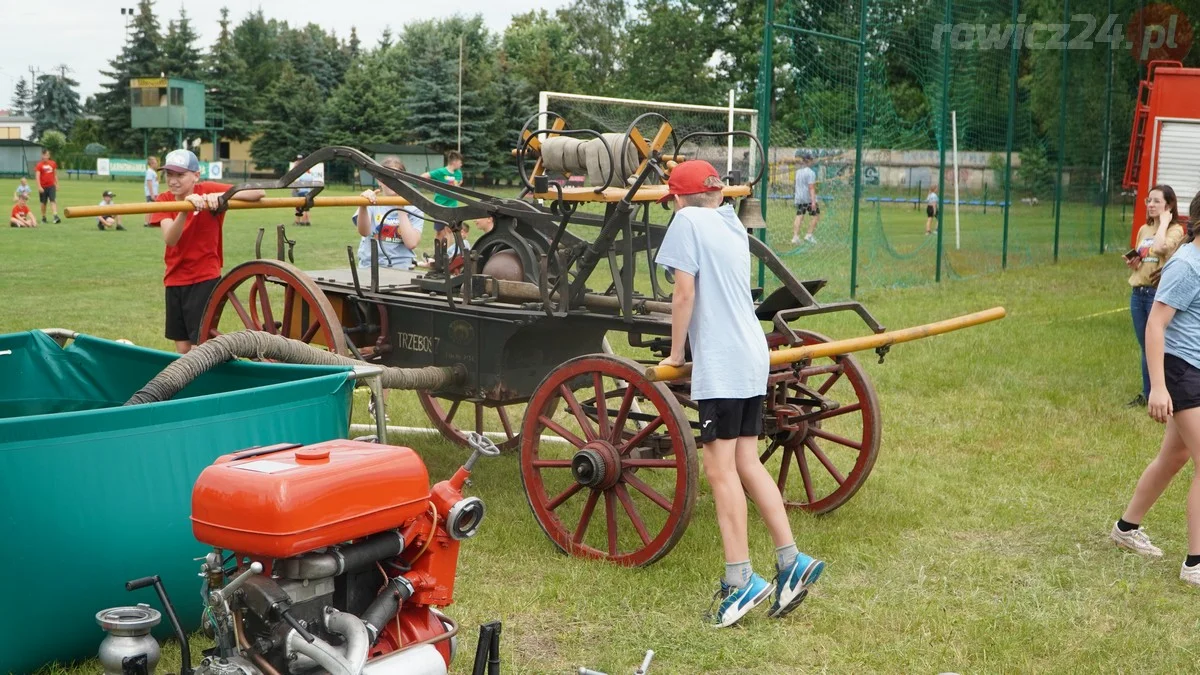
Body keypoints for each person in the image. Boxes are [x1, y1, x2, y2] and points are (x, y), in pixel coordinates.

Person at [655, 160, 824, 628]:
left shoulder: (686, 221)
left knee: (720, 469)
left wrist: (674, 355)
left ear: (676, 198)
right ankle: (792, 560)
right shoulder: (730, 222)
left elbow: (684, 294)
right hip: (752, 355)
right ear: (717, 193)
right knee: (747, 462)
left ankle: (739, 580)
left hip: (725, 362)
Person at [1111, 191, 1200, 589]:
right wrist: (1159, 387)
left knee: (1174, 457)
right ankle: (1196, 564)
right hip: (1181, 372)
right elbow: (1155, 326)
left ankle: (1126, 528)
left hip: (1194, 367)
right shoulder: (1188, 266)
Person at [154, 149, 265, 354]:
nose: (173, 180)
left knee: (200, 345)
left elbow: (258, 193)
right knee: (183, 346)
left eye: (180, 175)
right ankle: (188, 384)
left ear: (196, 175)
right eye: (169, 174)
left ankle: (205, 383)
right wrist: (184, 210)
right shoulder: (164, 199)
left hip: (203, 277)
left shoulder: (207, 189)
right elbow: (171, 238)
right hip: (174, 278)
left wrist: (219, 195)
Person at [1126, 185, 1187, 408]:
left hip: (1157, 294)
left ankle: (1166, 392)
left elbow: (1161, 248)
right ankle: (1148, 392)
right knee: (1145, 345)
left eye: (1156, 201)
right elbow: (1145, 258)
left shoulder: (1175, 230)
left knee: (1159, 345)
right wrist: (1135, 264)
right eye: (1148, 201)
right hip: (1138, 292)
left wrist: (1163, 222)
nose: (1150, 205)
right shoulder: (1144, 230)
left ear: (1168, 206)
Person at [355, 157, 424, 270]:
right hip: (370, 265)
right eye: (388, 178)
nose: (393, 183)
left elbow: (411, 243)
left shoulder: (413, 208)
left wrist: (400, 208)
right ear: (379, 181)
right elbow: (364, 232)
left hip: (401, 266)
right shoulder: (372, 202)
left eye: (397, 178)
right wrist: (363, 205)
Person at [421, 151, 463, 243]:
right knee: (440, 232)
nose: (461, 164)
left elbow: (459, 182)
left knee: (449, 231)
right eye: (460, 161)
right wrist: (430, 186)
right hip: (440, 206)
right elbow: (424, 176)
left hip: (452, 206)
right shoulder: (440, 172)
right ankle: (438, 254)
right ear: (454, 162)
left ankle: (447, 254)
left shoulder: (458, 173)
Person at [791, 153, 820, 245]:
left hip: (799, 197)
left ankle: (795, 237)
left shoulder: (798, 172)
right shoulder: (810, 173)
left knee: (799, 215)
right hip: (807, 198)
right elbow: (811, 188)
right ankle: (809, 235)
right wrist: (813, 201)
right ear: (808, 161)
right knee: (816, 216)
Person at [34, 148, 60, 223]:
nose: (46, 157)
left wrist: (57, 184)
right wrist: (39, 186)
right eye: (44, 155)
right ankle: (43, 217)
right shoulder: (39, 165)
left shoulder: (53, 163)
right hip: (43, 187)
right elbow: (37, 176)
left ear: (49, 156)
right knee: (43, 203)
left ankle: (55, 216)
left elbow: (55, 175)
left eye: (47, 155)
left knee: (53, 200)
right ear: (42, 156)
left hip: (51, 186)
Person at [291, 154, 312, 227]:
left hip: (299, 191)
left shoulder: (297, 170)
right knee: (306, 208)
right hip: (308, 192)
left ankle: (298, 221)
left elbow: (295, 182)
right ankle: (307, 221)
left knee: (298, 207)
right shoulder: (308, 172)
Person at [144, 156, 160, 227]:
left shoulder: (152, 172)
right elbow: (149, 182)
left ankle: (150, 222)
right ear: (151, 164)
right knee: (150, 208)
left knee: (152, 208)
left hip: (154, 193)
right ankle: (147, 222)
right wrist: (152, 194)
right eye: (155, 163)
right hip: (151, 193)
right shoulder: (150, 172)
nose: (157, 165)